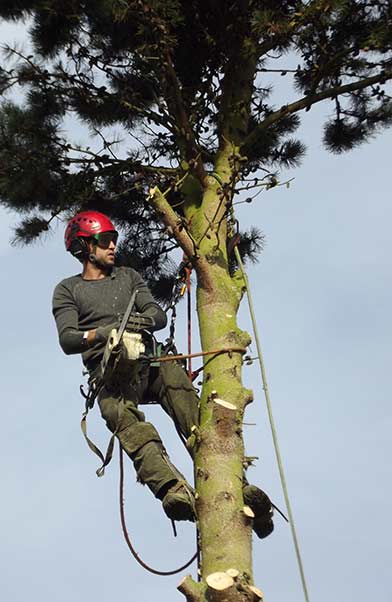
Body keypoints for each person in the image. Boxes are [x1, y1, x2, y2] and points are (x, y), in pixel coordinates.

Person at [52, 210, 274, 534]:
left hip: (149, 362)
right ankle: (173, 491)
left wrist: (133, 323)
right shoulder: (68, 290)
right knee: (120, 415)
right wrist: (103, 334)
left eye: (114, 239)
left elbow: (155, 314)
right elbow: (68, 339)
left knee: (185, 399)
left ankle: (239, 486)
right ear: (85, 247)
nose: (113, 245)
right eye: (105, 241)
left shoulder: (127, 277)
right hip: (110, 373)